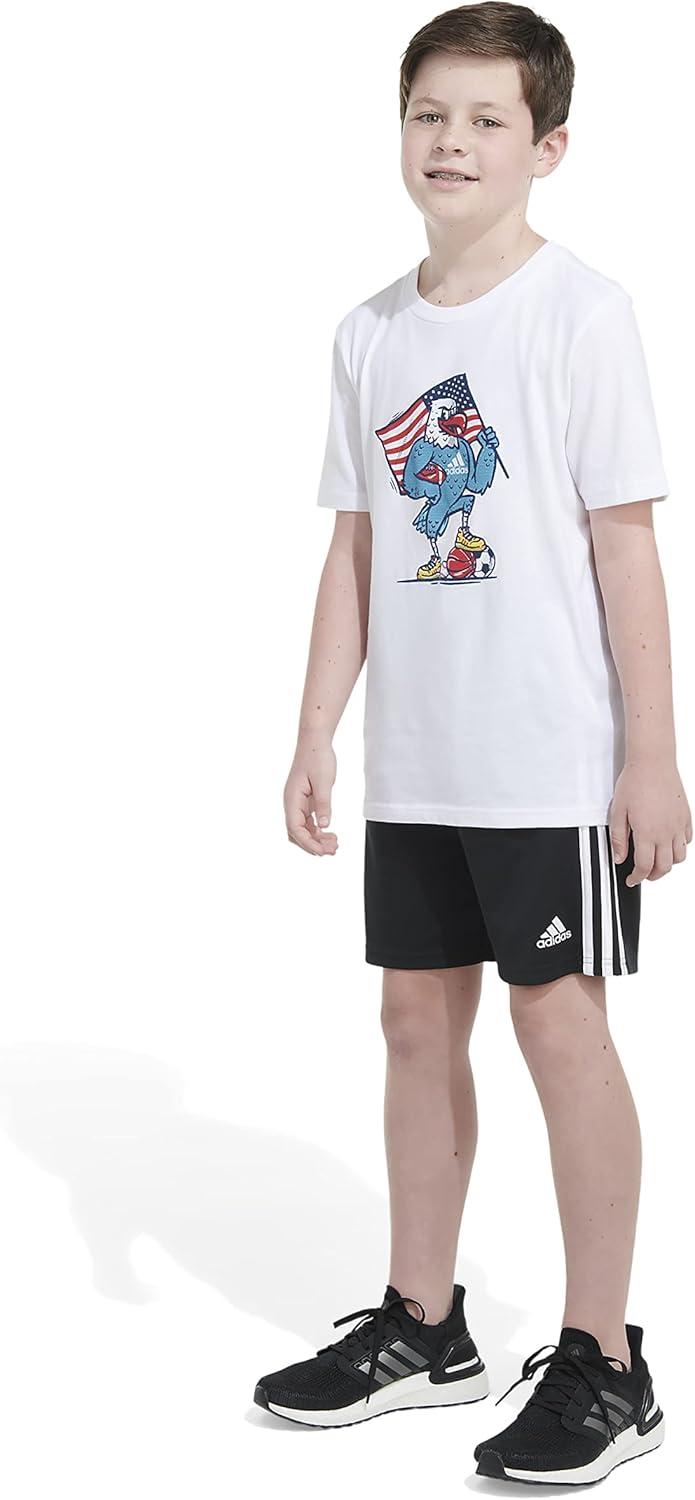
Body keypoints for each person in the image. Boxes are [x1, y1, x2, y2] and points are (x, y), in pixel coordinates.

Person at [254, 2, 691, 1483]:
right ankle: (425, 1325)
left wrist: (651, 757)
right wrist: (317, 730)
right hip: (420, 763)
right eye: (429, 114)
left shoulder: (584, 314)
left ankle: (606, 1358)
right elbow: (357, 550)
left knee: (558, 1026)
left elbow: (627, 550)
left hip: (550, 759)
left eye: (486, 119)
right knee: (411, 1024)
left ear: (546, 147)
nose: (451, 142)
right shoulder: (369, 331)